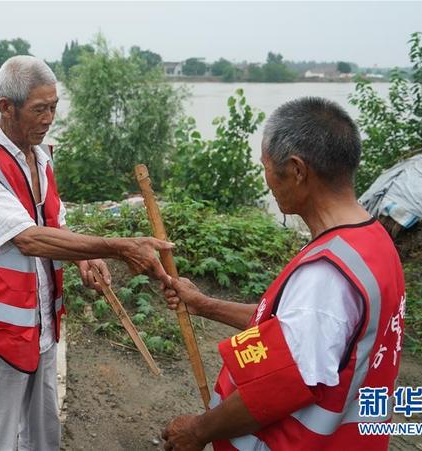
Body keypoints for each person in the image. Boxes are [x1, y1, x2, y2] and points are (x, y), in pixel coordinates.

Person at [0, 55, 172, 451]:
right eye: (39, 109)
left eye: (54, 107)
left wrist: (83, 256)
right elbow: (29, 239)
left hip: (42, 324)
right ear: (5, 108)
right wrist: (119, 247)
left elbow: (54, 226)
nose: (49, 118)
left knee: (43, 430)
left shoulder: (41, 156)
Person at [160, 97, 405, 451]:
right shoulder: (370, 242)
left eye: (266, 166)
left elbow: (276, 388)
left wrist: (199, 430)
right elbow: (293, 329)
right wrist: (202, 304)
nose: (267, 180)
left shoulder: (326, 277)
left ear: (297, 170)